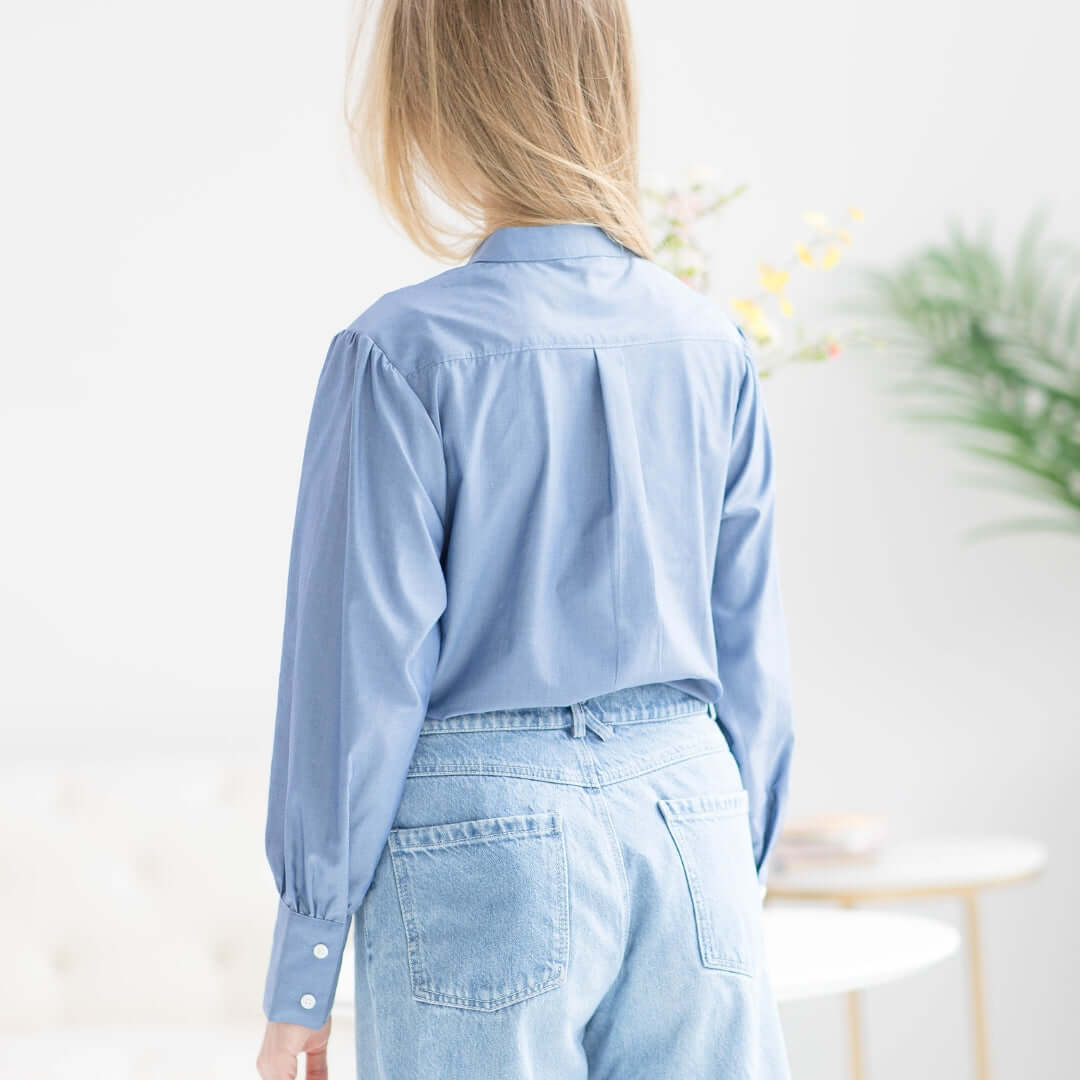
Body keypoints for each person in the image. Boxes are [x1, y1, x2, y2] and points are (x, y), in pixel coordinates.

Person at [255, 1, 795, 1076]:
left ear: (434, 99)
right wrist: (735, 873)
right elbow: (754, 660)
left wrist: (302, 972)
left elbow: (354, 683)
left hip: (481, 841)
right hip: (692, 819)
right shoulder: (708, 343)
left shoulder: (401, 354)